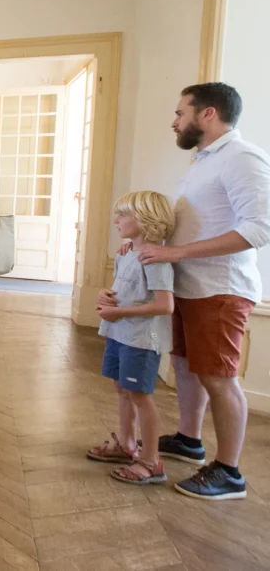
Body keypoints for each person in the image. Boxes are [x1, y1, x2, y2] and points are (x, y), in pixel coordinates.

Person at [104, 82, 270, 500]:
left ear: (208, 114)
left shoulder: (241, 157)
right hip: (190, 285)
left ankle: (229, 471)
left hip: (220, 288)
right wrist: (141, 242)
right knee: (184, 368)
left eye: (181, 113)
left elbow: (258, 228)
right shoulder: (203, 161)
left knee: (219, 378)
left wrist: (175, 251)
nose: (175, 121)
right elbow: (190, 222)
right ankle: (190, 439)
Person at [87, 191, 175, 485]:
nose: (116, 221)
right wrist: (105, 295)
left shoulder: (155, 259)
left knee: (140, 396)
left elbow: (165, 305)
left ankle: (151, 461)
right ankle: (127, 444)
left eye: (122, 215)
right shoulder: (127, 253)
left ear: (144, 219)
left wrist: (120, 312)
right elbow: (121, 290)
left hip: (140, 340)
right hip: (120, 335)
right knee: (122, 390)